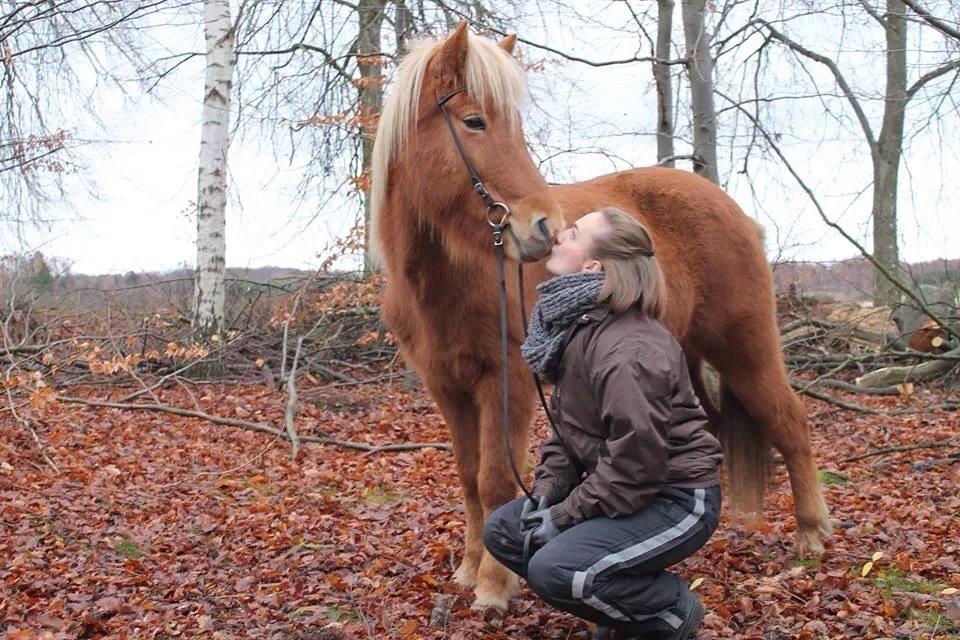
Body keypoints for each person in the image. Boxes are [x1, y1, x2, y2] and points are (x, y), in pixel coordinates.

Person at [483, 207, 723, 639]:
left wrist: (568, 515)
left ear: (593, 266)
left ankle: (666, 613)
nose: (558, 236)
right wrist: (547, 494)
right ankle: (622, 613)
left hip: (676, 499)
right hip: (630, 488)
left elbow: (636, 464)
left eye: (573, 233)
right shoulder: (582, 328)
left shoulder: (629, 349)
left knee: (557, 569)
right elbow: (568, 433)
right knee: (506, 531)